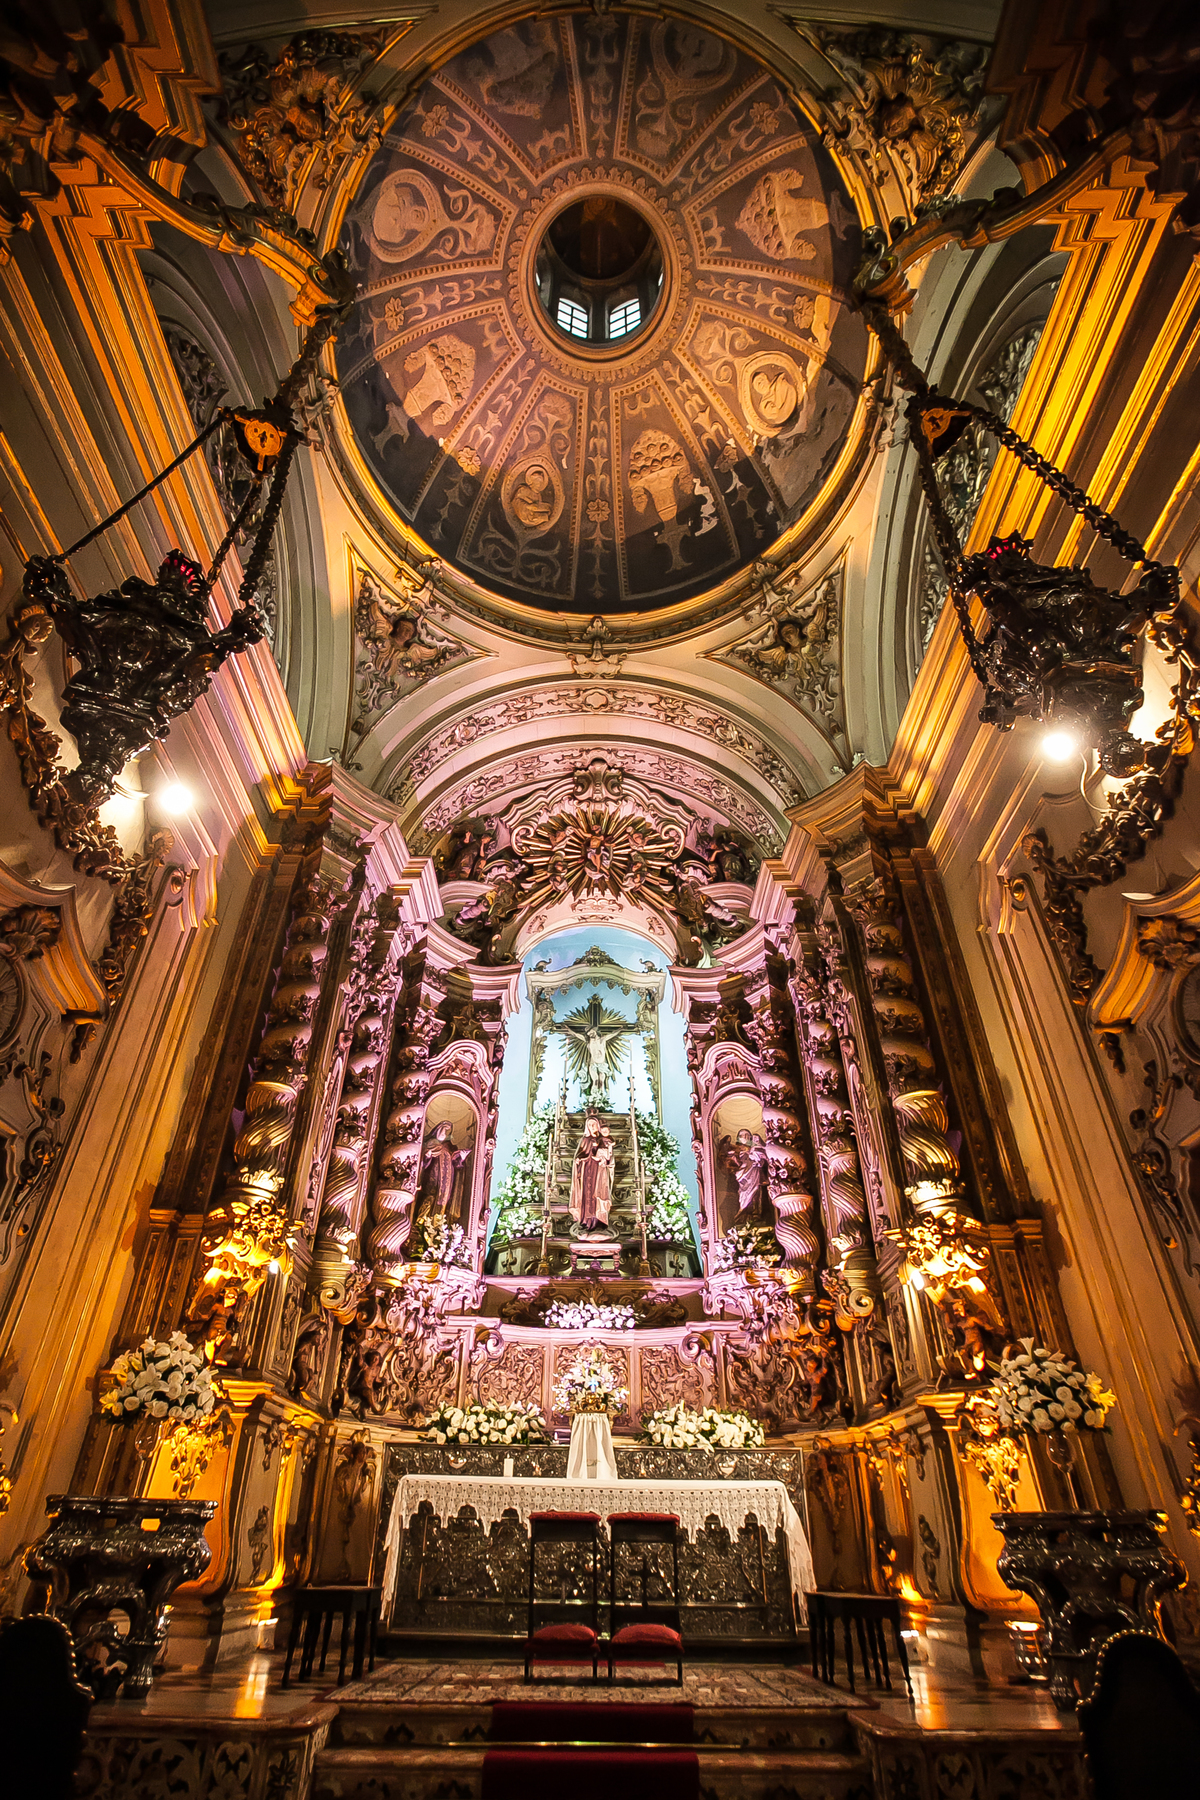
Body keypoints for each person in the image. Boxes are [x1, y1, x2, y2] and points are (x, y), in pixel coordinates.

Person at [418, 1119, 470, 1224]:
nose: (443, 1134)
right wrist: (427, 1156)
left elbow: (456, 1166)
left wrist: (462, 1158)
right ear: (437, 1130)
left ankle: (436, 1224)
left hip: (446, 1182)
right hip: (433, 1178)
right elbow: (422, 1163)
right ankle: (421, 1221)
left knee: (442, 1202)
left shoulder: (450, 1148)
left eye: (446, 1132)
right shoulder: (430, 1144)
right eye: (442, 1130)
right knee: (429, 1198)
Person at [569, 1113, 614, 1231]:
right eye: (590, 1125)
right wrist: (579, 1160)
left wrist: (603, 1158)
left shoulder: (603, 1139)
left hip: (598, 1171)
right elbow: (580, 1154)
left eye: (594, 1124)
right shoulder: (585, 1140)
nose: (592, 1126)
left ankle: (598, 1219)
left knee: (596, 1194)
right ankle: (585, 1220)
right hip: (586, 1170)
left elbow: (609, 1156)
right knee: (586, 1195)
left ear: (598, 1125)